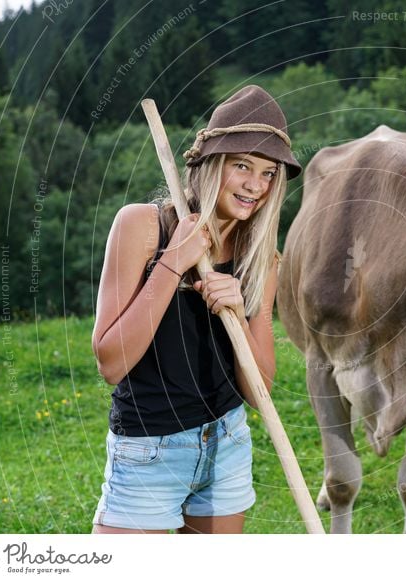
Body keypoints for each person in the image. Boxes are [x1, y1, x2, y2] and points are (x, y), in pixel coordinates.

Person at [91, 85, 301, 534]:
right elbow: (111, 362)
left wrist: (240, 315)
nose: (254, 185)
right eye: (242, 165)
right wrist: (172, 263)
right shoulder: (144, 226)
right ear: (211, 164)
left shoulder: (261, 257)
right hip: (148, 448)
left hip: (226, 445)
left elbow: (258, 389)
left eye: (268, 174)